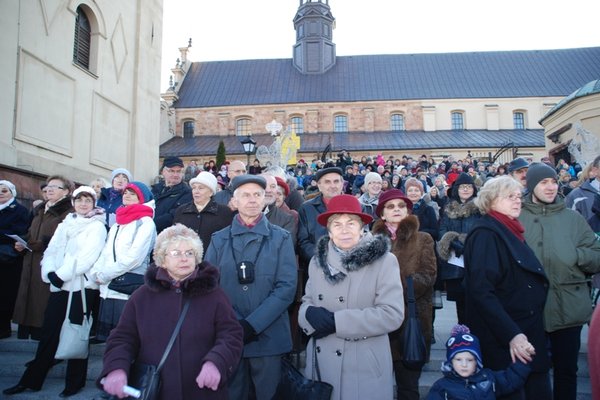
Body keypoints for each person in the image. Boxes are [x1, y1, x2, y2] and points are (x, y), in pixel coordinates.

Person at [99, 224, 244, 400]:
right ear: (162, 259)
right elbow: (123, 337)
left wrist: (216, 362)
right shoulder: (142, 297)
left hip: (201, 390)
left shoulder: (214, 295)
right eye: (176, 253)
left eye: (189, 253)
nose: (184, 258)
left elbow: (231, 334)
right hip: (157, 389)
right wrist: (116, 368)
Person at [3, 186, 107, 397]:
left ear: (94, 204)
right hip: (59, 285)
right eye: (79, 200)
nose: (83, 204)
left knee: (77, 334)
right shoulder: (65, 224)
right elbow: (52, 250)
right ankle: (32, 380)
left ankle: (74, 382)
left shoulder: (97, 227)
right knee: (49, 333)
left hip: (80, 286)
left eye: (88, 201)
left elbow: (88, 257)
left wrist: (61, 275)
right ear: (73, 203)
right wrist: (49, 272)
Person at [298, 194, 404, 400]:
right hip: (322, 365)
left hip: (364, 364)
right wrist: (308, 315)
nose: (344, 230)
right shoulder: (317, 262)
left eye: (351, 223)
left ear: (362, 226)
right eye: (336, 224)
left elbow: (392, 314)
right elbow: (306, 302)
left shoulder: (384, 261)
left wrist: (338, 322)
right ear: (328, 231)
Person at [204, 175, 297, 400]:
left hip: (269, 338)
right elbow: (208, 286)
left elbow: (286, 287)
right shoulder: (219, 239)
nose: (252, 200)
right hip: (228, 336)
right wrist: (233, 323)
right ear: (234, 201)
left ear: (265, 200)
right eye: (245, 195)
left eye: (258, 195)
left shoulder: (281, 238)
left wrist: (252, 325)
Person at [463, 176, 551, 399]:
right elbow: (482, 291)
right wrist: (512, 335)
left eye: (519, 196)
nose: (517, 201)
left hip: (525, 330)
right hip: (508, 339)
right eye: (509, 197)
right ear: (491, 201)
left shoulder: (510, 229)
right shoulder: (486, 233)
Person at [519, 162, 600, 400]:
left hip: (569, 306)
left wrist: (575, 256)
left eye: (554, 181)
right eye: (544, 182)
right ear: (532, 185)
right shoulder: (517, 216)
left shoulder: (572, 218)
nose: (551, 187)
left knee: (567, 370)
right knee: (535, 370)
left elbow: (596, 254)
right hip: (531, 307)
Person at [371, 189, 436, 400]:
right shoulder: (370, 242)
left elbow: (427, 277)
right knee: (375, 387)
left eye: (401, 206)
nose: (396, 210)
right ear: (382, 214)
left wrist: (391, 287)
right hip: (378, 323)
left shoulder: (423, 239)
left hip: (411, 322)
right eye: (390, 207)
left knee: (408, 387)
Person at [89, 181, 157, 342]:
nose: (127, 195)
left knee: (127, 339)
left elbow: (134, 258)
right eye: (125, 192)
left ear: (141, 198)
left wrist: (106, 274)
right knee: (111, 340)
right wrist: (97, 272)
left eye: (132, 193)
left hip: (127, 287)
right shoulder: (119, 222)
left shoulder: (145, 222)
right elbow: (106, 251)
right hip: (110, 286)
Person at [13, 175, 74, 340]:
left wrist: (38, 244)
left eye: (56, 186)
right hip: (30, 261)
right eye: (48, 186)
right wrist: (23, 242)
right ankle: (29, 330)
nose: (50, 189)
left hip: (49, 262)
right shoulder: (41, 209)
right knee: (29, 297)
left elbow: (63, 239)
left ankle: (42, 333)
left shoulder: (69, 211)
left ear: (67, 192)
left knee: (42, 300)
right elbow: (32, 231)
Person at [426, 324, 530, 400]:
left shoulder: (489, 378)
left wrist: (523, 357)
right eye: (458, 359)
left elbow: (511, 380)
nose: (464, 364)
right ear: (451, 362)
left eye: (470, 360)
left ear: (477, 362)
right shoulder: (442, 387)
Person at [437, 173, 481, 324]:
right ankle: (462, 331)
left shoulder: (480, 207)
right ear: (457, 189)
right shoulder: (448, 208)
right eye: (462, 187)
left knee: (476, 299)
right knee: (459, 302)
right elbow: (442, 229)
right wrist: (453, 242)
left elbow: (484, 229)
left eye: (469, 186)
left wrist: (468, 243)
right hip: (455, 261)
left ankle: (476, 332)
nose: (466, 190)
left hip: (475, 257)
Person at [0, 180, 31, 339]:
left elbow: (21, 232)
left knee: (5, 293)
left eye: (4, 191)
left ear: (12, 193)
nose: (0, 193)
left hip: (9, 258)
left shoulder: (19, 210)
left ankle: (4, 326)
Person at [174, 171, 234, 252]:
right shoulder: (181, 211)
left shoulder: (224, 212)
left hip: (213, 261)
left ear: (211, 192)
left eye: (201, 188)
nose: (196, 191)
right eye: (194, 188)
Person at [297, 166, 345, 269]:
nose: (333, 186)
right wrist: (323, 260)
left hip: (349, 267)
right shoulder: (306, 208)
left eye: (336, 181)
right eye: (327, 182)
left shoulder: (356, 207)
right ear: (319, 185)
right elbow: (303, 242)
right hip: (317, 267)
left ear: (342, 184)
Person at [152, 157, 193, 233]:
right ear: (163, 172)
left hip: (167, 236)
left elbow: (173, 216)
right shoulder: (155, 189)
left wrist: (150, 224)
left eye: (178, 171)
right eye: (171, 171)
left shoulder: (187, 193)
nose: (175, 174)